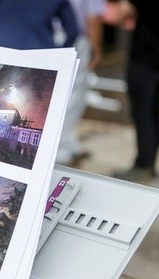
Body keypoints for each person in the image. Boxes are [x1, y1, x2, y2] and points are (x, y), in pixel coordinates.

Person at [113, 0, 159, 182]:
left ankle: (143, 165)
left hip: (143, 56)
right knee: (154, 112)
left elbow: (121, 14)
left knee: (142, 113)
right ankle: (150, 164)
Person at [55, 0, 106, 168]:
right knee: (73, 94)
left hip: (46, 31)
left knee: (57, 92)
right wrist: (96, 46)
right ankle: (61, 150)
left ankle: (68, 144)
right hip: (72, 35)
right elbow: (93, 15)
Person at [0, 0, 79, 51]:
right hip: (40, 55)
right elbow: (73, 31)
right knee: (38, 99)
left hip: (2, 51)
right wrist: (58, 53)